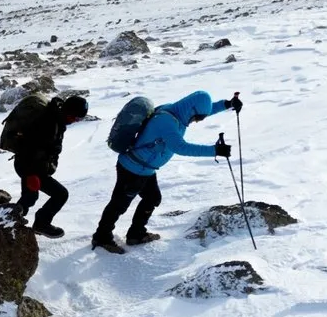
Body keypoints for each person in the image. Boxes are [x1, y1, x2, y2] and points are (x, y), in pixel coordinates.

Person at [92, 91, 242, 254]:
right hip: (133, 169)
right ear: (191, 110)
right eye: (196, 118)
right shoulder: (167, 121)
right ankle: (101, 237)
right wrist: (215, 150)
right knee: (119, 205)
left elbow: (205, 109)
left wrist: (227, 104)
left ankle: (136, 234)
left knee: (152, 198)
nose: (195, 122)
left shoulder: (176, 111)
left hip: (145, 168)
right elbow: (180, 147)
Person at [12, 95, 89, 238]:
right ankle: (34, 223)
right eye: (76, 118)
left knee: (29, 198)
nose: (76, 122)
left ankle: (12, 221)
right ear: (69, 112)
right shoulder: (47, 123)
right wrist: (30, 175)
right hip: (30, 168)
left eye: (79, 119)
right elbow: (26, 149)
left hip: (35, 168)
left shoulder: (57, 118)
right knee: (60, 194)